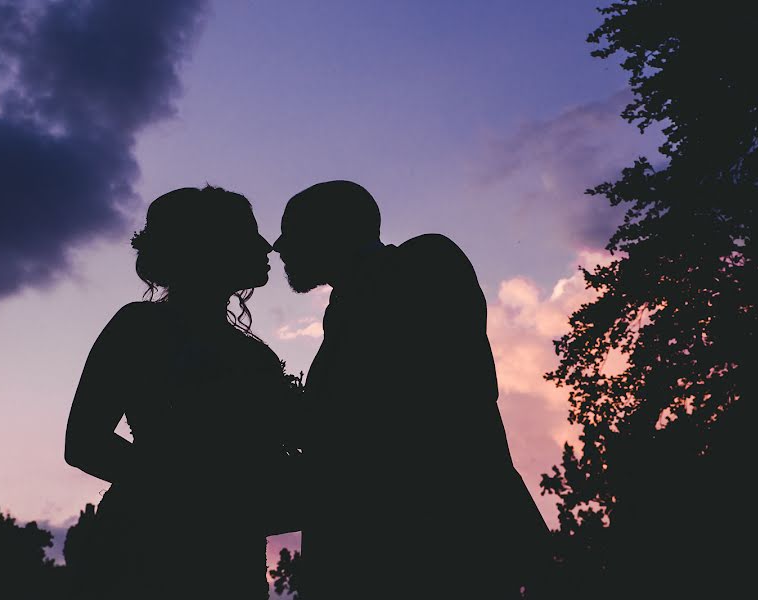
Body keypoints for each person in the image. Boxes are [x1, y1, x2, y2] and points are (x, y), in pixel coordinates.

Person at [273, 180, 551, 599]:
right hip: (378, 551)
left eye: (291, 231)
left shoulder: (424, 262)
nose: (278, 247)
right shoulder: (347, 304)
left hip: (439, 543)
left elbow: (439, 402)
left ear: (333, 229)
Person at [65, 185, 297, 598]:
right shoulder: (139, 327)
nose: (265, 246)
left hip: (229, 557)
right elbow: (83, 442)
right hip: (142, 552)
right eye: (248, 234)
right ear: (209, 246)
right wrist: (200, 495)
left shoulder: (255, 356)